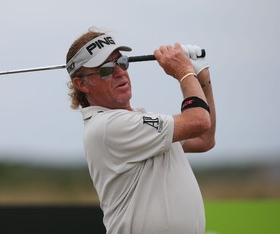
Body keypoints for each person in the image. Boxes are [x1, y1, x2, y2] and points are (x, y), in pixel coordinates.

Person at [65, 29, 216, 234]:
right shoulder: (108, 126)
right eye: (106, 69)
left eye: (121, 62)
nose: (119, 72)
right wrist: (184, 72)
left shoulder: (137, 120)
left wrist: (202, 78)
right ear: (81, 83)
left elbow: (204, 139)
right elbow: (198, 121)